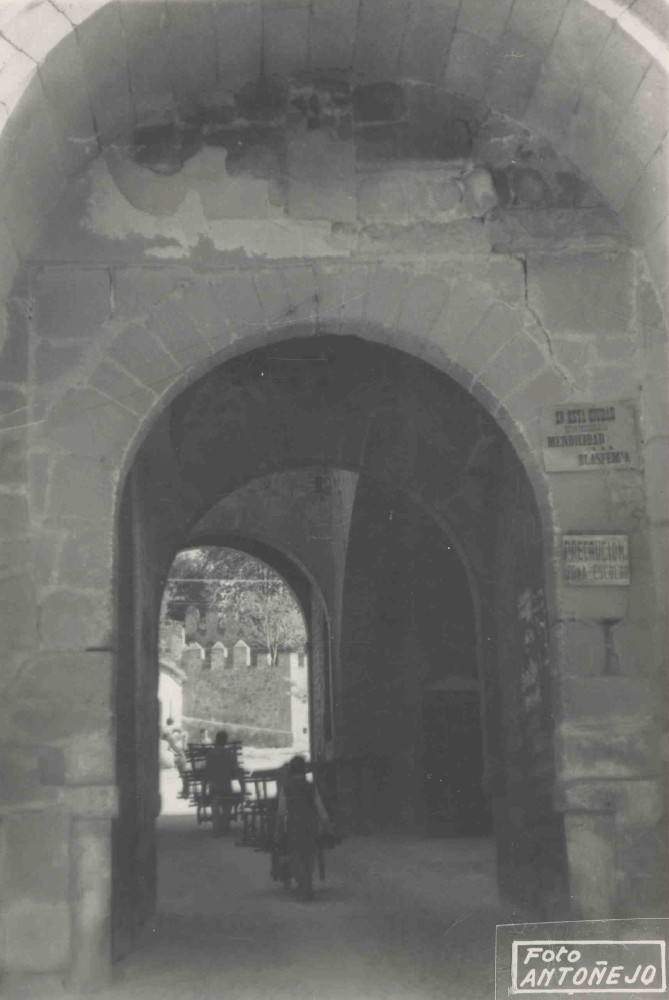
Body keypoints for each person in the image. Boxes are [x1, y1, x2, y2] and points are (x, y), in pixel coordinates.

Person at [275, 755, 332, 901]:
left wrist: (278, 830)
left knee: (296, 856)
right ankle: (308, 885)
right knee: (309, 856)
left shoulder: (286, 788)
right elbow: (320, 808)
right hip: (311, 825)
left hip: (294, 826)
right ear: (305, 770)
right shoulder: (311, 787)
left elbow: (281, 811)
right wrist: (327, 826)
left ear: (291, 771)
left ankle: (303, 884)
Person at [205, 730, 243, 836]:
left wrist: (204, 789)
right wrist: (243, 787)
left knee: (215, 807)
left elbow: (206, 773)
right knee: (227, 805)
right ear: (225, 741)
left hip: (214, 787)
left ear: (216, 740)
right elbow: (236, 771)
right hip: (226, 786)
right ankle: (225, 826)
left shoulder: (210, 754)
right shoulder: (229, 754)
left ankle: (216, 830)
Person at [163, 718, 190, 798]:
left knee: (183, 774)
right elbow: (185, 734)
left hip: (177, 756)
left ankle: (185, 791)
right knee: (184, 774)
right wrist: (184, 744)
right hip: (180, 755)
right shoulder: (173, 733)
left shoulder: (167, 732)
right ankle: (186, 791)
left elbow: (169, 745)